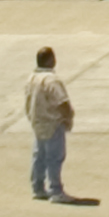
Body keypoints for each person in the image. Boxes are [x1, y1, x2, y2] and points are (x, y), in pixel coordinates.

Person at [24, 45, 72, 202]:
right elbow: (62, 102)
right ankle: (56, 191)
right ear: (51, 60)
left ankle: (37, 188)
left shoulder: (31, 78)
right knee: (54, 157)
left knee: (39, 156)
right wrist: (68, 118)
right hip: (52, 123)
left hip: (37, 122)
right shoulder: (52, 80)